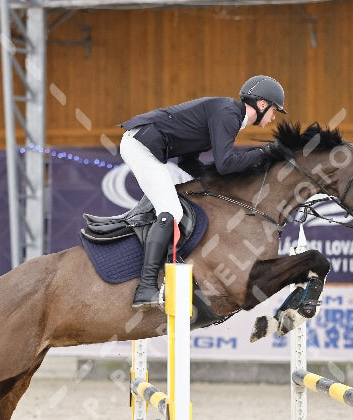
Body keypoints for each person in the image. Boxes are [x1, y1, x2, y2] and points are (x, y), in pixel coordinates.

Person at [119, 75, 287, 309]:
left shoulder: (228, 115)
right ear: (261, 104)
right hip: (141, 147)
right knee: (171, 211)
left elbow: (189, 161)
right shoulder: (229, 114)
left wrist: (210, 185)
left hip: (150, 147)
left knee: (194, 198)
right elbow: (225, 164)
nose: (274, 117)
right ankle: (145, 287)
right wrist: (266, 152)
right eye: (274, 110)